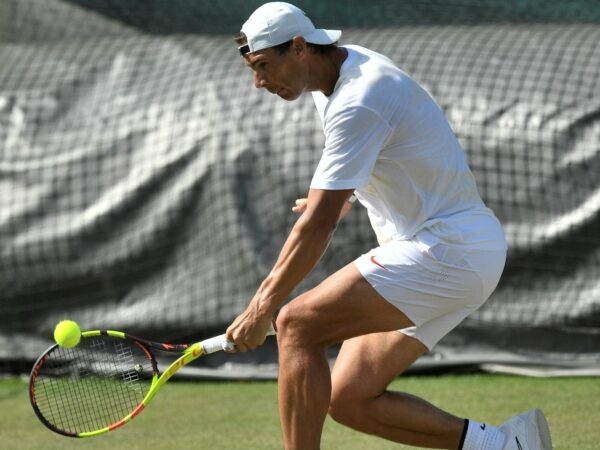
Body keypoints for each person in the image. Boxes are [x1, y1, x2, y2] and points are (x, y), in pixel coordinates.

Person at [226, 2, 552, 449]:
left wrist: (260, 308)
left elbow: (316, 227)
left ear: (299, 47)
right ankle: (503, 445)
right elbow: (391, 153)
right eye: (253, 69)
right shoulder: (341, 73)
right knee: (349, 399)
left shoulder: (359, 97)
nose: (258, 82)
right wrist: (343, 200)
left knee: (296, 324)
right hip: (460, 251)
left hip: (445, 250)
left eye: (264, 66)